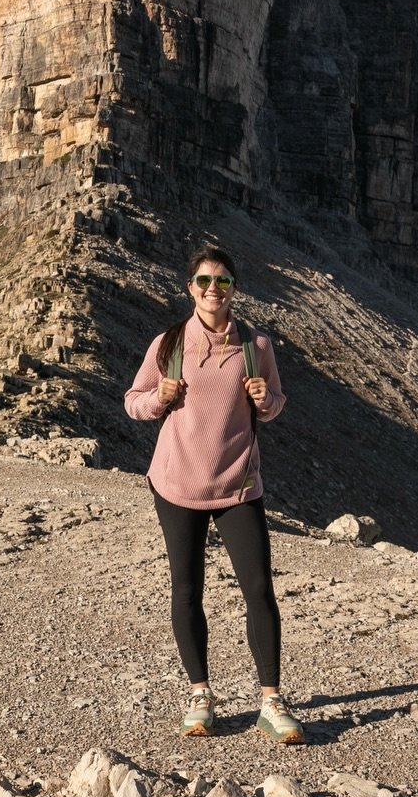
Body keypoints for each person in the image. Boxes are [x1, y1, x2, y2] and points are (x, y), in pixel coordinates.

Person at [124, 244, 304, 744]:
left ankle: (271, 700)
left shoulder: (257, 346)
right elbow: (132, 402)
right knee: (186, 589)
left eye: (222, 282)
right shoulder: (168, 344)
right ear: (190, 288)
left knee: (259, 589)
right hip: (177, 482)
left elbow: (273, 404)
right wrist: (157, 398)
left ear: (234, 290)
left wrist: (268, 402)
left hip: (239, 483)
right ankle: (200, 694)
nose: (212, 290)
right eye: (203, 282)